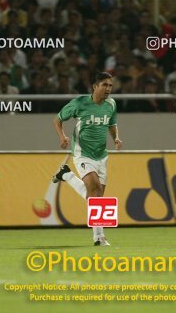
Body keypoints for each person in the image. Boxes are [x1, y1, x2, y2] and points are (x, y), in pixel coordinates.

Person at [52, 72, 122, 246]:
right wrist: (62, 137)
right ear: (95, 86)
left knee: (96, 197)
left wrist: (116, 138)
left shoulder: (111, 104)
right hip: (82, 153)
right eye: (104, 85)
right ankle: (99, 237)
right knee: (95, 188)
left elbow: (112, 124)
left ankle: (66, 175)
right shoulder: (80, 103)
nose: (108, 89)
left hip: (101, 155)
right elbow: (57, 119)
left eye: (110, 86)